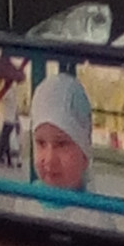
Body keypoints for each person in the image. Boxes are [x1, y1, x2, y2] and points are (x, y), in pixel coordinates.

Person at [29, 67, 94, 195]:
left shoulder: (96, 207)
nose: (49, 159)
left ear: (85, 154)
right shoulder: (26, 199)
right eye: (41, 143)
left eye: (62, 144)